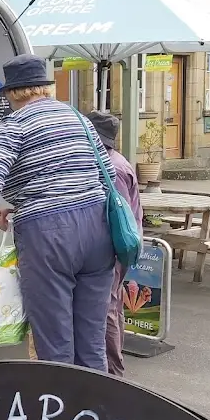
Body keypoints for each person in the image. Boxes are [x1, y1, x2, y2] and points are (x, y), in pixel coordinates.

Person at [0, 54, 115, 372]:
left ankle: (61, 417)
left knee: (56, 346)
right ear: (45, 87)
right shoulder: (79, 119)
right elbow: (109, 175)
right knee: (92, 344)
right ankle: (97, 415)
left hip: (48, 236)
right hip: (98, 231)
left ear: (12, 93)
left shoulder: (15, 125)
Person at [88, 112, 143, 378]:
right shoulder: (116, 161)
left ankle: (113, 371)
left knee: (107, 308)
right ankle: (114, 364)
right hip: (120, 246)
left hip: (114, 246)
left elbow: (118, 215)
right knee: (114, 305)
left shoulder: (112, 168)